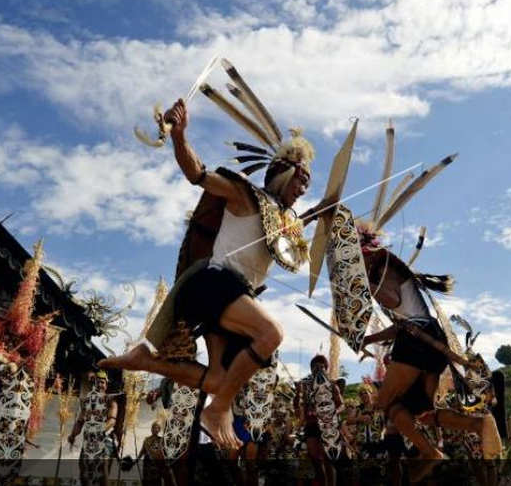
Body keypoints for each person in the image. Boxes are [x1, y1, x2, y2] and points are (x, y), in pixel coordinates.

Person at [99, 96, 334, 450]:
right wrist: (179, 136)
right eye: (301, 178)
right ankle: (217, 409)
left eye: (307, 183)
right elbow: (197, 173)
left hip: (233, 299)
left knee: (217, 379)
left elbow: (289, 230)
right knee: (271, 334)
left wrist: (319, 212)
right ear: (284, 171)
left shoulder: (283, 221)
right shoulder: (242, 194)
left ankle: (149, 362)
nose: (304, 187)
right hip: (212, 285)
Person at [359, 238, 502, 483]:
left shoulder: (383, 269)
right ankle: (479, 425)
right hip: (429, 339)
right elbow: (400, 323)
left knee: (385, 400)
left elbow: (393, 300)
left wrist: (364, 285)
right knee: (424, 413)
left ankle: (430, 452)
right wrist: (370, 338)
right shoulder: (385, 270)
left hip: (417, 341)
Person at [295, 355, 344, 486]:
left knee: (329, 459)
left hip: (328, 425)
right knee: (316, 460)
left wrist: (332, 413)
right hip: (311, 424)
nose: (318, 368)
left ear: (326, 368)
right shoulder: (304, 385)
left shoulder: (333, 385)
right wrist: (298, 395)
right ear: (311, 369)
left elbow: (341, 405)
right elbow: (299, 406)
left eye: (321, 366)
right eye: (315, 366)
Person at [68, 371, 118, 486]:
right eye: (97, 382)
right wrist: (72, 435)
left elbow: (112, 420)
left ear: (106, 385)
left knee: (102, 469)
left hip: (104, 440)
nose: (99, 385)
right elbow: (80, 422)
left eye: (102, 382)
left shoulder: (111, 401)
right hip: (88, 442)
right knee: (83, 470)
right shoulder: (87, 402)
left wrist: (98, 430)